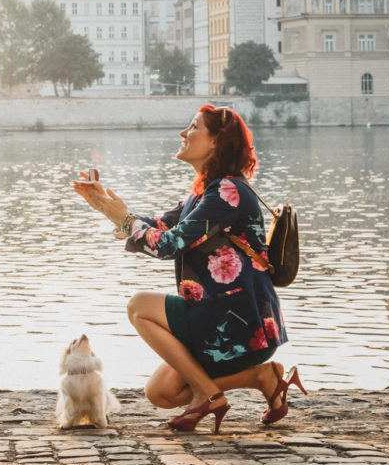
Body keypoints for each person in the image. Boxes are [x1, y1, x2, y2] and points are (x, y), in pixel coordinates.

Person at [73, 104, 305, 433]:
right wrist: (109, 209)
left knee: (139, 306)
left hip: (238, 322)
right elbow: (160, 226)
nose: (184, 133)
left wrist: (126, 219)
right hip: (220, 318)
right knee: (162, 393)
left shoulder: (228, 192)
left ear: (216, 142)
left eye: (193, 127)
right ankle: (263, 377)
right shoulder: (205, 193)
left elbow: (168, 245)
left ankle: (209, 395)